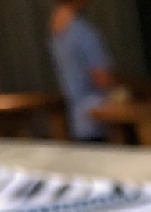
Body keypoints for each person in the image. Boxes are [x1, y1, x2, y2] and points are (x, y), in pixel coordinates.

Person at [49, 1, 116, 141]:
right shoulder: (82, 33)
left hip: (76, 120)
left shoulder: (58, 32)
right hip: (96, 119)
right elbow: (101, 78)